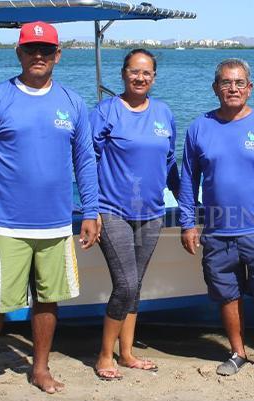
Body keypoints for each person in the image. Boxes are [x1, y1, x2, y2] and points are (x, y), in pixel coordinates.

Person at [0, 21, 99, 401]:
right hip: (6, 224)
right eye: (31, 49)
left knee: (48, 299)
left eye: (47, 50)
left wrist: (91, 211)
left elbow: (86, 160)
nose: (39, 56)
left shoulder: (72, 102)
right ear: (19, 53)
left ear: (58, 55)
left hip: (56, 224)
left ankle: (40, 368)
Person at [178, 58, 254, 378]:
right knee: (227, 295)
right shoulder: (199, 128)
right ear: (215, 88)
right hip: (218, 231)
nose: (233, 88)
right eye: (226, 83)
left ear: (250, 88)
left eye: (239, 82)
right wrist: (188, 223)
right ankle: (238, 353)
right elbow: (188, 181)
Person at [89, 49, 179, 380]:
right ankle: (104, 355)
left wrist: (187, 202)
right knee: (125, 283)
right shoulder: (105, 111)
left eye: (146, 73)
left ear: (154, 77)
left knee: (136, 284)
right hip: (112, 209)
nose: (140, 78)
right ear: (123, 73)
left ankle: (126, 353)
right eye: (134, 71)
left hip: (152, 212)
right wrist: (91, 209)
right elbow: (86, 161)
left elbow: (170, 161)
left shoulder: (164, 113)